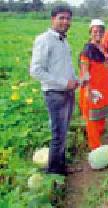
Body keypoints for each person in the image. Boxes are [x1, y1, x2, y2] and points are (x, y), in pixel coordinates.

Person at [30, 5, 78, 175]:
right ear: (53, 19)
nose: (65, 22)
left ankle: (61, 167)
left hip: (67, 93)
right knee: (58, 134)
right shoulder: (44, 40)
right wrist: (64, 83)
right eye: (61, 18)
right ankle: (53, 172)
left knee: (63, 132)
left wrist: (75, 80)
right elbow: (36, 70)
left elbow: (66, 66)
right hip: (55, 94)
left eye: (68, 18)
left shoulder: (63, 40)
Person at [79, 19, 108, 150]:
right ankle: (95, 147)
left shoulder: (103, 48)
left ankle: (98, 140)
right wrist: (88, 90)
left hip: (104, 89)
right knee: (92, 119)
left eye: (100, 31)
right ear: (90, 32)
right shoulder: (87, 51)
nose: (98, 33)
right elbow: (84, 73)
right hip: (93, 90)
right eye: (95, 31)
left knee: (100, 116)